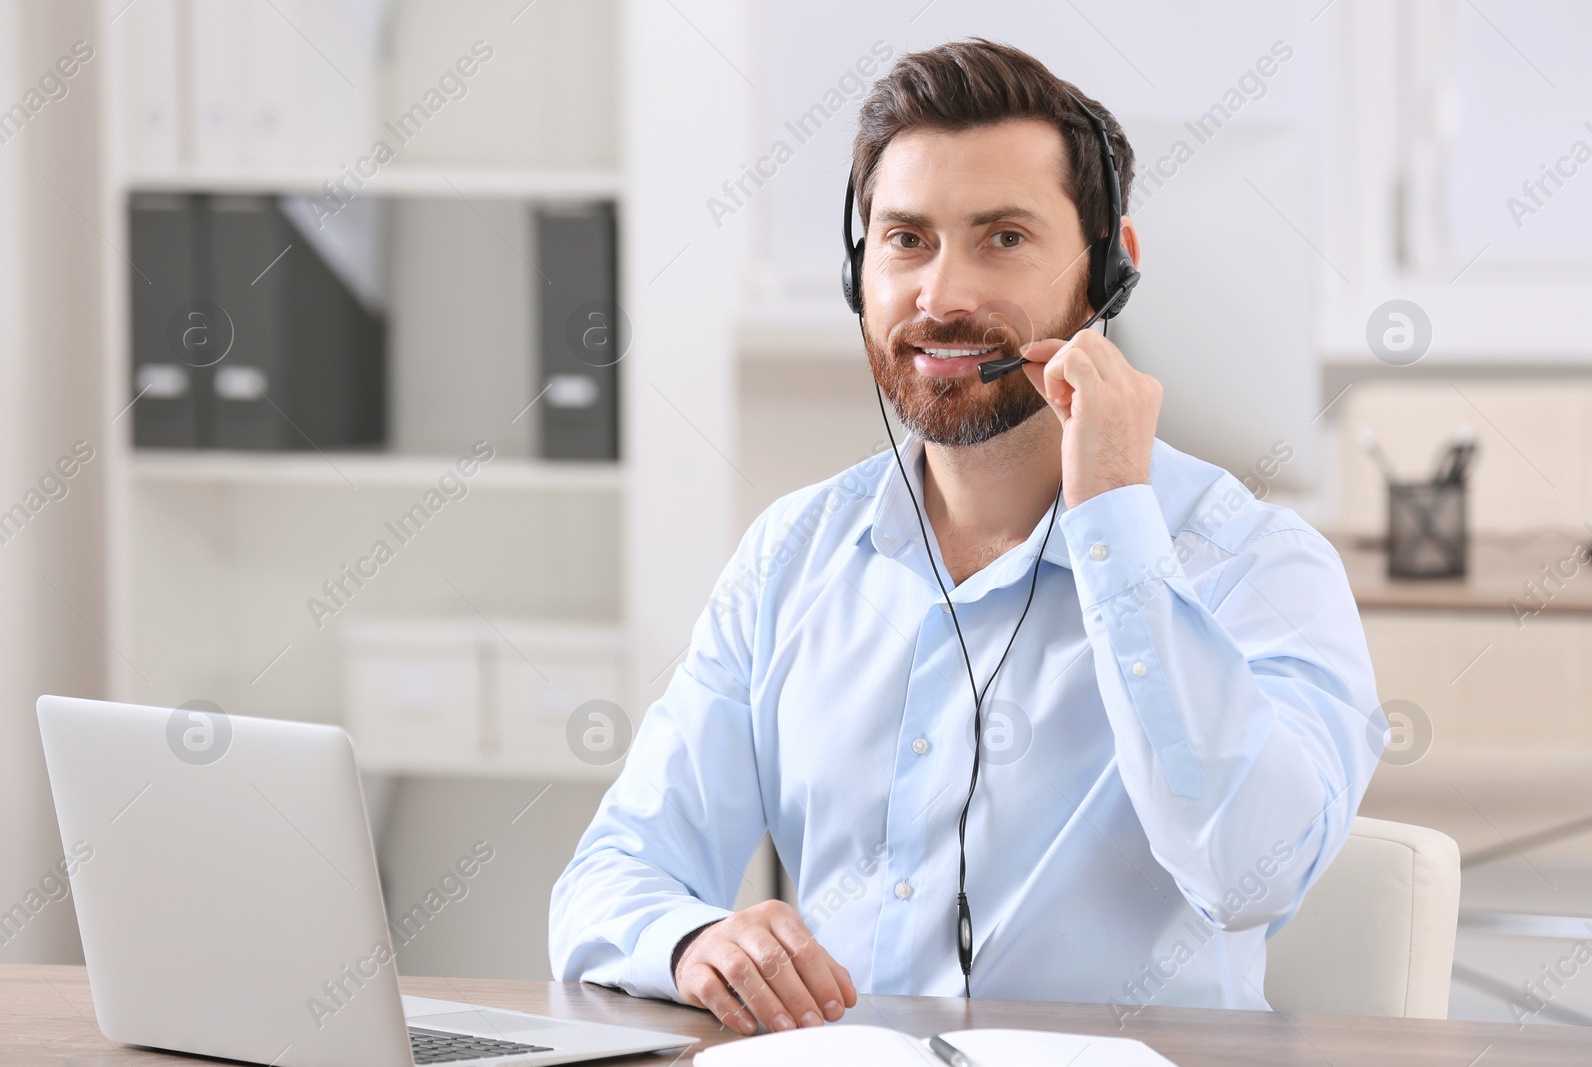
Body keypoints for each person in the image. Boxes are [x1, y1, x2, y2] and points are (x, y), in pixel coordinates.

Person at [550, 38, 1380, 1036]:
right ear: (859, 269)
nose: (941, 296)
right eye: (906, 240)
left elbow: (1251, 869)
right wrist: (691, 940)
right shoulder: (793, 554)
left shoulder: (1255, 564)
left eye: (1002, 239)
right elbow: (611, 876)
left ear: (1110, 266)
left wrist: (1115, 515)